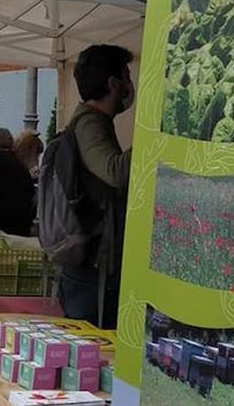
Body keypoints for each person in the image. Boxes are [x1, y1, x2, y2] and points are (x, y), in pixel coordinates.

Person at [61, 44, 133, 328]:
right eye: (126, 76)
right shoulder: (90, 123)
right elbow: (114, 172)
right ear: (113, 84)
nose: (130, 84)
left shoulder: (98, 122)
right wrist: (154, 138)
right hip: (92, 269)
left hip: (92, 264)